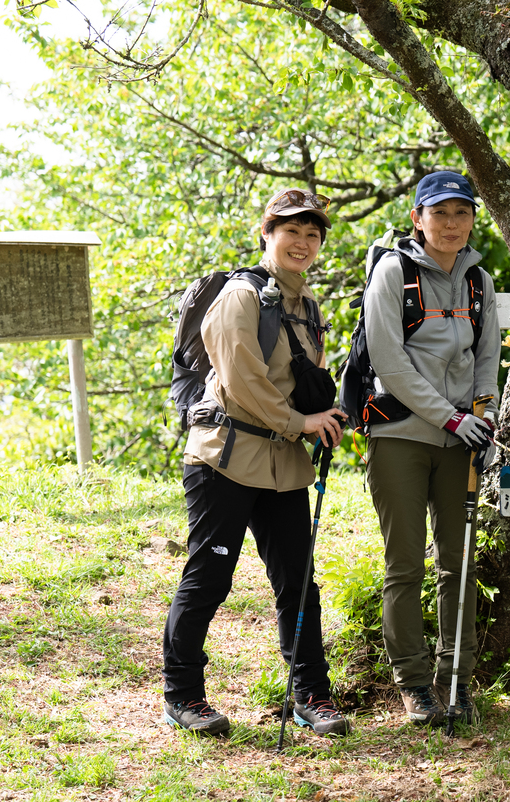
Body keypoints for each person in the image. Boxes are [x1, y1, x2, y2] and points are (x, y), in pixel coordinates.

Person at [162, 188, 351, 737]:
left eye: (313, 234)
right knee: (210, 577)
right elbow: (242, 380)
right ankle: (183, 696)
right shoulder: (240, 298)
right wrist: (301, 423)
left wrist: (322, 413)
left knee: (299, 581)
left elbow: (296, 381)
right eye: (291, 231)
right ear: (266, 233)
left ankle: (310, 695)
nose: (303, 242)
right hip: (223, 456)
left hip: (281, 463)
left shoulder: (307, 306)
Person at [363, 171, 501, 727]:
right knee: (404, 567)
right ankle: (414, 684)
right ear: (418, 218)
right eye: (439, 213)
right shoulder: (393, 274)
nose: (451, 224)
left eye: (461, 213)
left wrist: (483, 420)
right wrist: (450, 416)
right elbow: (390, 363)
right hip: (399, 437)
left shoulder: (480, 282)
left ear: (472, 221)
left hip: (460, 440)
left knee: (459, 564)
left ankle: (456, 682)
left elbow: (488, 357)